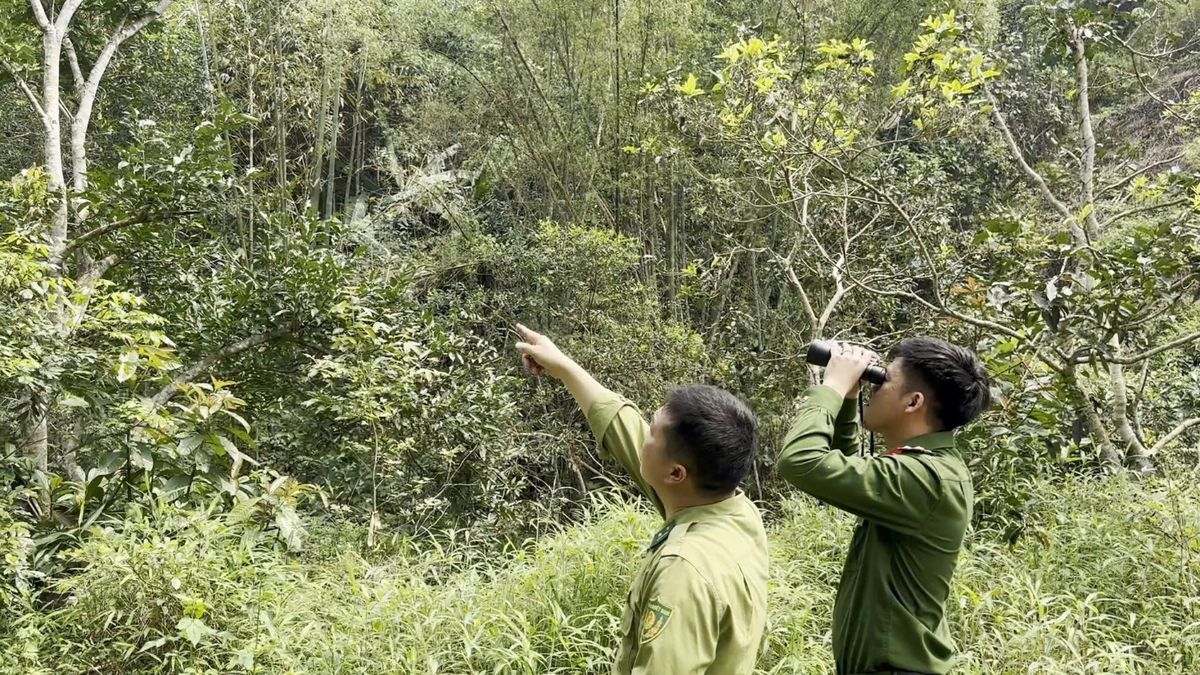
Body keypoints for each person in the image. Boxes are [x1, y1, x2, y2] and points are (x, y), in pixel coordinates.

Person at [514, 324, 768, 674]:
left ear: (675, 474)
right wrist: (564, 366)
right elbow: (624, 427)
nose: (643, 438)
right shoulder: (733, 510)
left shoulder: (684, 571)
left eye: (652, 433)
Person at [776, 338, 990, 675]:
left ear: (913, 402)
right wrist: (848, 400)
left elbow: (800, 462)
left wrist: (831, 386)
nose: (873, 387)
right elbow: (846, 469)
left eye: (883, 380)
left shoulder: (927, 477)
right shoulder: (926, 467)